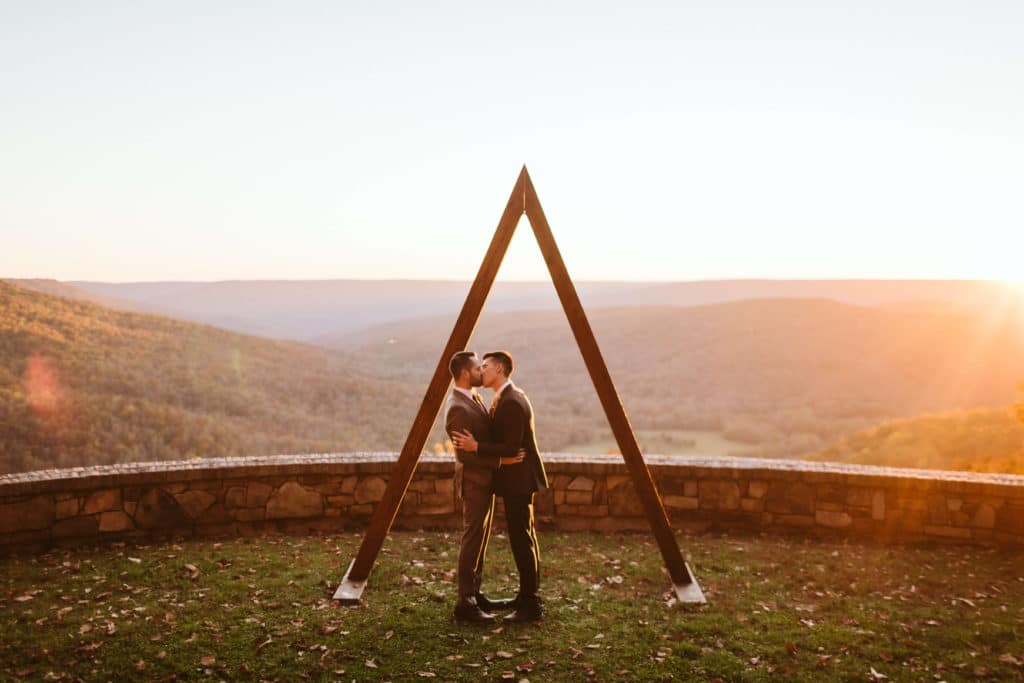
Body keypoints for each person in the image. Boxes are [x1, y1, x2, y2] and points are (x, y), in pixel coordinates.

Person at [451, 350, 548, 623]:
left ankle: (530, 604)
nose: (482, 370)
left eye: (486, 366)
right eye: (479, 366)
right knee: (522, 537)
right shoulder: (503, 397)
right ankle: (526, 597)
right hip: (513, 479)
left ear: (500, 369)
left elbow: (511, 447)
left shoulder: (511, 401)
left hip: (519, 479)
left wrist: (477, 446)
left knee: (522, 540)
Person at [445, 351, 524, 624]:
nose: (482, 371)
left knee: (481, 538)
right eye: (479, 368)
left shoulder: (474, 398)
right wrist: (501, 458)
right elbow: (464, 455)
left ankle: (476, 594)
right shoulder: (457, 407)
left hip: (485, 480)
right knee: (471, 538)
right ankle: (465, 602)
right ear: (466, 373)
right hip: (474, 482)